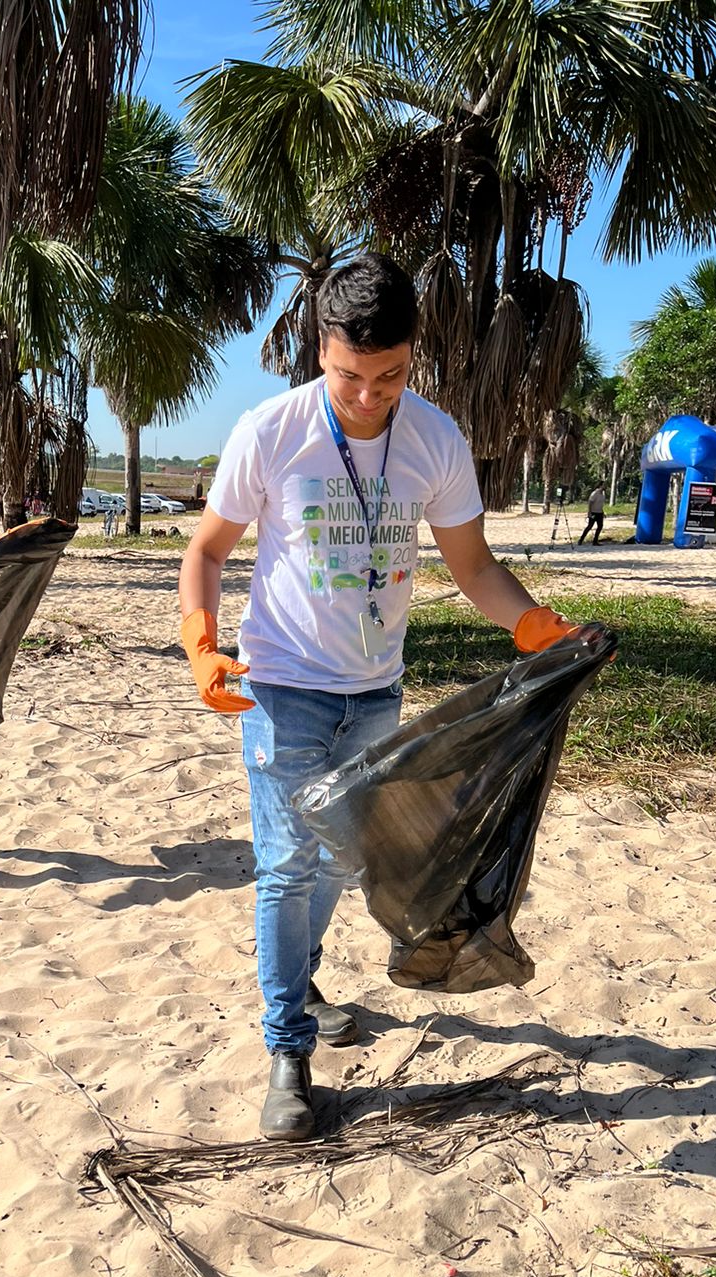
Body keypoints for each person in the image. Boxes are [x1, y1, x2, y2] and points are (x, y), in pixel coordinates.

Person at [178, 253, 586, 1142]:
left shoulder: (434, 440)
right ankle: (287, 1052)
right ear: (320, 351)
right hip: (281, 685)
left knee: (341, 862)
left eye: (389, 376)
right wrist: (202, 643)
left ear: (413, 357)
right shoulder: (273, 431)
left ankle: (305, 981)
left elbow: (473, 567)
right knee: (288, 865)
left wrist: (530, 627)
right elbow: (206, 550)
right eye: (349, 377)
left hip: (374, 692)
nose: (368, 397)